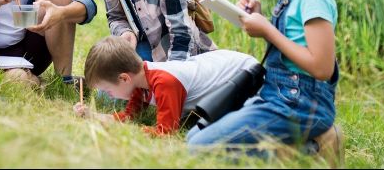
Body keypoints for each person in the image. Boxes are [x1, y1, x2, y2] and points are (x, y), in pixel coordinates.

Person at [185, 0, 342, 164]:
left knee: (202, 150)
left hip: (301, 105)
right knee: (194, 137)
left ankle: (315, 148)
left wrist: (268, 30)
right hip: (277, 95)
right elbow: (295, 42)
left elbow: (322, 67)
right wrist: (262, 21)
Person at [73, 36, 260, 136]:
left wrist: (129, 133)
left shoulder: (165, 82)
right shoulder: (140, 80)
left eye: (108, 90)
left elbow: (166, 132)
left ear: (124, 78)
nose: (109, 95)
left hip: (246, 77)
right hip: (227, 68)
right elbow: (129, 117)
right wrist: (91, 115)